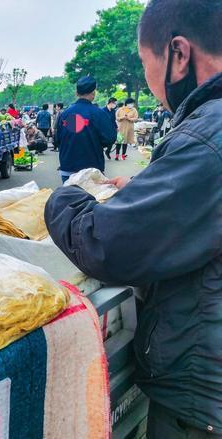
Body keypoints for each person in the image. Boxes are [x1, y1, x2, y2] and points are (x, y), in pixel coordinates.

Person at [45, 1, 222, 437]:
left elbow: (107, 242)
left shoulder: (208, 134)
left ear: (178, 55)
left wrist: (61, 199)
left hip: (202, 403)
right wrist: (147, 191)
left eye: (146, 64)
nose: (150, 83)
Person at [53, 76, 116, 183]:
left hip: (67, 168)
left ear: (76, 93)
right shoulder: (99, 114)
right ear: (93, 93)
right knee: (90, 198)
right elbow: (109, 138)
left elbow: (57, 139)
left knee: (70, 199)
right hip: (92, 170)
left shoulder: (65, 114)